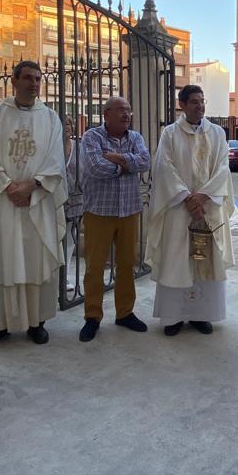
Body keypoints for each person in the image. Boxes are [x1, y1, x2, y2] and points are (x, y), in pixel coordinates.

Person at [0, 61, 67, 346]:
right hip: (3, 201)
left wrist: (32, 185)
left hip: (37, 201)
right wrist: (7, 187)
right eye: (28, 78)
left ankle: (37, 322)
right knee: (2, 257)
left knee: (35, 258)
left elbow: (56, 159)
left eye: (38, 79)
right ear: (13, 81)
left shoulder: (50, 117)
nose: (34, 83)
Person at [145, 85, 234, 335]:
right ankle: (173, 317)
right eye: (194, 102)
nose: (200, 106)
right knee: (177, 261)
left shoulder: (217, 133)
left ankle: (200, 315)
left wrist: (203, 196)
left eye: (202, 101)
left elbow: (223, 167)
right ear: (182, 105)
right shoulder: (170, 133)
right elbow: (163, 166)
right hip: (179, 209)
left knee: (204, 261)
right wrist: (186, 198)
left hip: (207, 209)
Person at [78, 97, 151, 342]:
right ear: (106, 113)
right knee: (95, 267)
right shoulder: (92, 137)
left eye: (128, 110)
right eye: (121, 110)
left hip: (129, 210)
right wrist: (127, 164)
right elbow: (95, 167)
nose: (126, 115)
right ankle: (92, 316)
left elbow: (146, 162)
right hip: (99, 211)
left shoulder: (136, 138)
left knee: (127, 265)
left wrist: (117, 158)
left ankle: (125, 313)